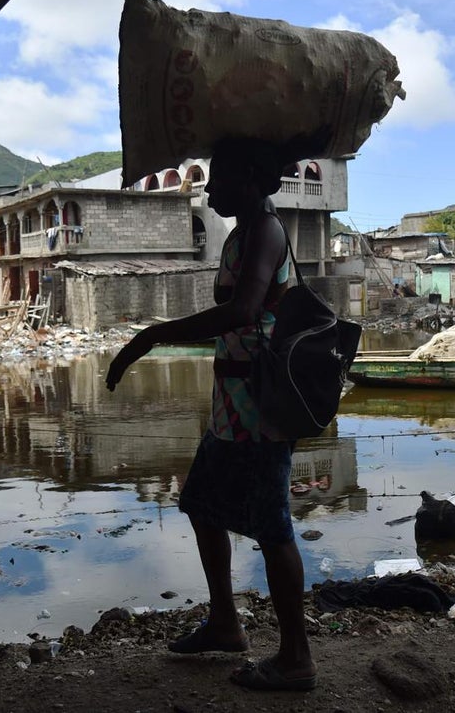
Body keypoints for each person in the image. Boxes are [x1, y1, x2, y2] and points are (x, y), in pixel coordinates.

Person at [106, 137, 316, 692]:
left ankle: (296, 657)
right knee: (201, 503)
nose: (211, 185)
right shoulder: (244, 233)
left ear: (251, 179)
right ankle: (225, 622)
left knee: (273, 528)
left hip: (261, 409)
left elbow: (244, 310)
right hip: (233, 405)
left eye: (221, 176)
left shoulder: (266, 231)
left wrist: (152, 336)